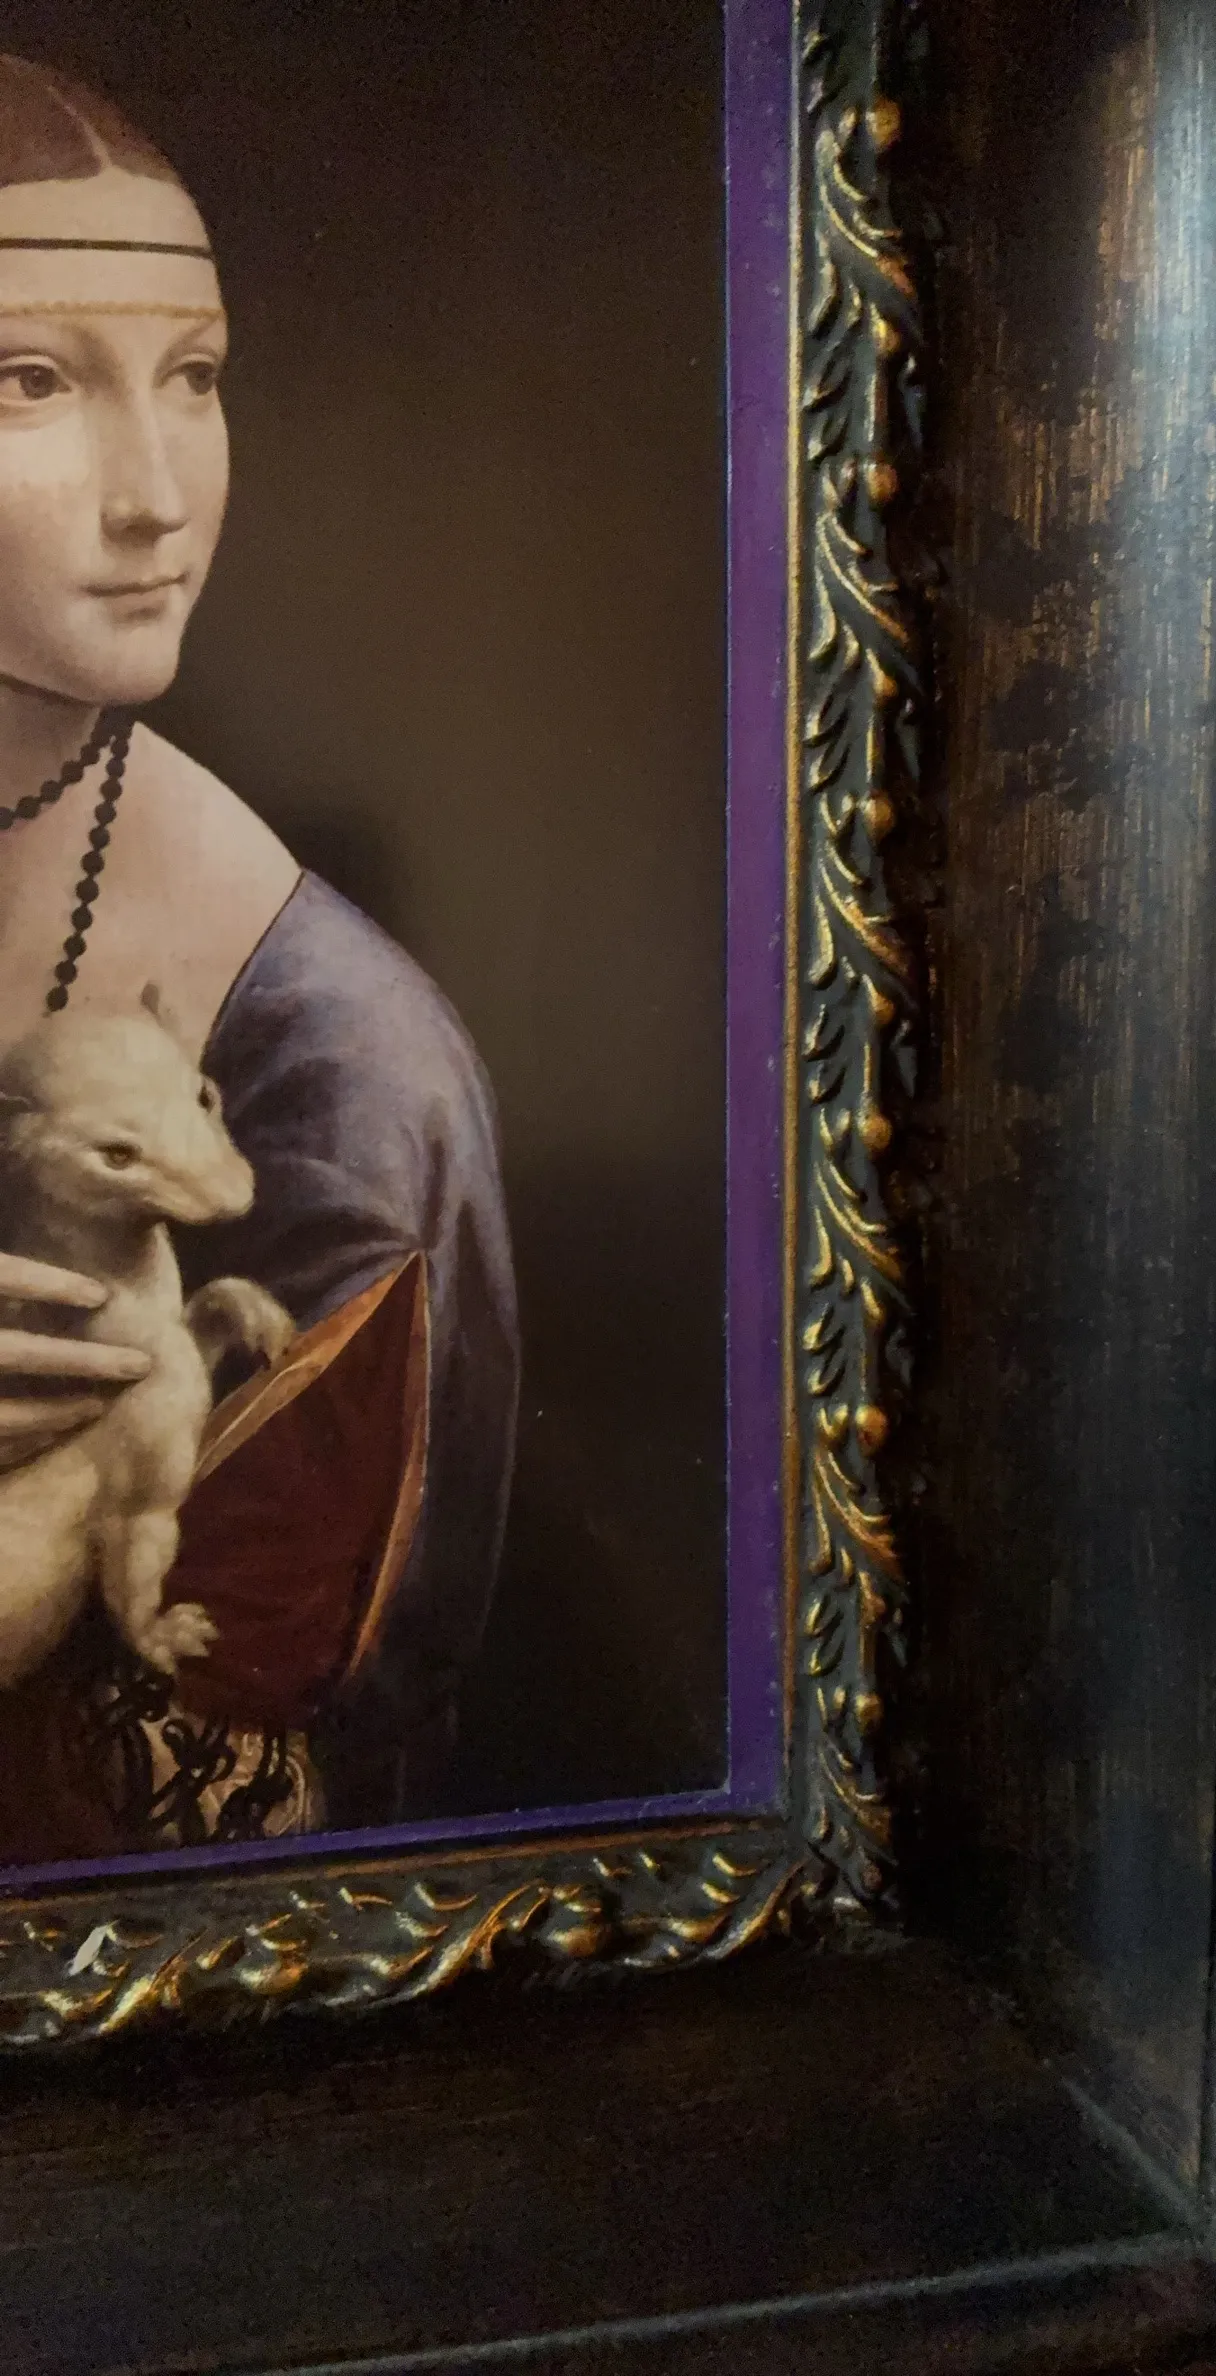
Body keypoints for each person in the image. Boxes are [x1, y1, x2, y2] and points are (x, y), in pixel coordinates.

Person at [0, 55, 519, 1859]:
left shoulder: (343, 1076)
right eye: (32, 381)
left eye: (197, 378)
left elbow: (235, 1783)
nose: (156, 495)